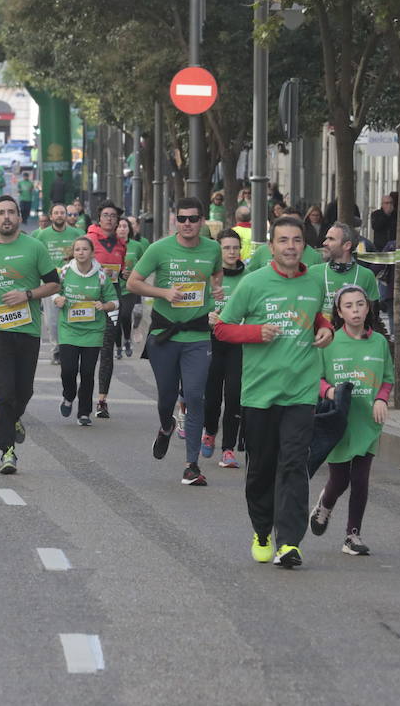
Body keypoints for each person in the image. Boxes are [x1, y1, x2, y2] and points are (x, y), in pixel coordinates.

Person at [213, 215, 334, 569]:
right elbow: (222, 329)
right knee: (262, 469)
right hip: (260, 393)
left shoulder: (314, 283)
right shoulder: (253, 284)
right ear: (271, 245)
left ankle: (290, 542)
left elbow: (316, 317)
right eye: (284, 241)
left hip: (300, 391)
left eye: (297, 240)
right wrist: (253, 333)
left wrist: (326, 329)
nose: (291, 247)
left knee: (294, 464)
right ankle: (263, 531)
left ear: (304, 246)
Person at [128, 197, 224, 487]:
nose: (187, 224)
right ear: (175, 221)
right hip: (165, 334)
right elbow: (133, 282)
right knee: (167, 398)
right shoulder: (160, 248)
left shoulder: (213, 248)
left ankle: (191, 464)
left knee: (195, 396)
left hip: (197, 335)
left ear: (202, 221)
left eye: (193, 219)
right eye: (182, 218)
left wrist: (216, 290)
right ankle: (167, 425)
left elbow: (217, 274)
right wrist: (164, 293)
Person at [0, 195, 61, 474]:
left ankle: (13, 419)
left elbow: (55, 283)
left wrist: (27, 294)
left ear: (19, 217)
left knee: (24, 390)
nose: (6, 217)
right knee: (4, 392)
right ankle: (7, 451)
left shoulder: (35, 247)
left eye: (11, 212)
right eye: (0, 213)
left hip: (27, 329)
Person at [310, 285, 394, 556]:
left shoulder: (379, 342)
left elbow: (388, 378)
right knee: (340, 479)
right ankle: (326, 502)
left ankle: (352, 535)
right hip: (339, 419)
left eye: (360, 304)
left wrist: (381, 399)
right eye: (348, 306)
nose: (355, 310)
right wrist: (330, 391)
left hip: (367, 421)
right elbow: (316, 379)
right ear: (339, 311)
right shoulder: (329, 341)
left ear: (368, 307)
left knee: (360, 478)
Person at [54, 236, 118, 426]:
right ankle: (68, 396)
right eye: (77, 250)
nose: (81, 253)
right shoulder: (65, 272)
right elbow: (53, 290)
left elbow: (114, 302)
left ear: (91, 252)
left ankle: (84, 412)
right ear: (73, 253)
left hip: (93, 331)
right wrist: (57, 299)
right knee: (68, 369)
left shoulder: (100, 275)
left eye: (84, 249)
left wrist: (104, 305)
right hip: (69, 329)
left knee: (88, 372)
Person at [204, 230, 250, 468]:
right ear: (218, 250)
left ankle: (228, 449)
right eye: (227, 248)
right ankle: (210, 431)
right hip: (212, 341)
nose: (232, 252)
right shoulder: (209, 277)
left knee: (234, 396)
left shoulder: (250, 277)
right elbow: (194, 306)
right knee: (211, 395)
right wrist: (207, 316)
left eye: (235, 247)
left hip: (238, 343)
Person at [87, 202, 128, 419]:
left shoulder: (121, 244)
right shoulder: (90, 240)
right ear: (99, 218)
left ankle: (102, 400)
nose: (110, 219)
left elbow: (119, 272)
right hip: (90, 299)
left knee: (107, 349)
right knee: (87, 349)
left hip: (113, 300)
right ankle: (83, 395)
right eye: (105, 215)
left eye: (113, 216)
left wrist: (124, 275)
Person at [32, 204, 85, 364]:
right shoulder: (41, 236)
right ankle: (56, 350)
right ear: (51, 216)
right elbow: (36, 259)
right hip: (50, 283)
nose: (60, 215)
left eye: (63, 212)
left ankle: (72, 348)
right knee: (53, 320)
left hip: (74, 281)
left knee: (73, 317)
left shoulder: (78, 234)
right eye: (56, 213)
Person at [308, 223, 381, 321]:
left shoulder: (366, 275)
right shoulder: (313, 271)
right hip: (321, 334)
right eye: (326, 238)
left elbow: (373, 317)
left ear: (347, 245)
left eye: (331, 239)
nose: (324, 243)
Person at [115, 217, 147, 357]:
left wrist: (136, 275)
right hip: (114, 287)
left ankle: (127, 339)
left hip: (130, 288)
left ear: (129, 229)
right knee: (114, 319)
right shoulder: (112, 246)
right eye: (119, 226)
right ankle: (117, 347)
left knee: (125, 315)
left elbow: (144, 264)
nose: (122, 229)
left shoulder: (137, 246)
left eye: (125, 226)